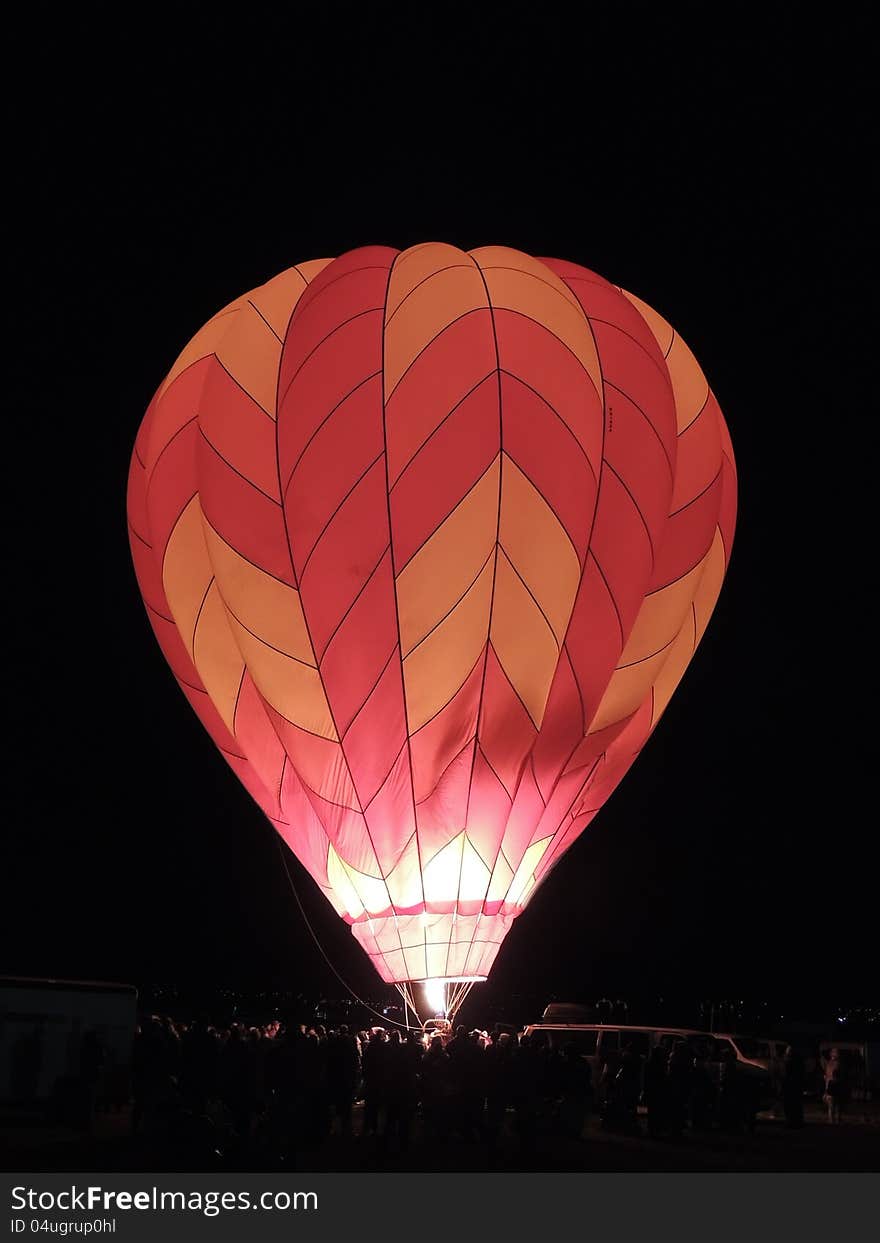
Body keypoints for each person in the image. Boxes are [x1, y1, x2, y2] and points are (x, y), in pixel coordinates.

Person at [822, 1048, 847, 1124]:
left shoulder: (840, 1064)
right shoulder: (829, 1063)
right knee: (831, 1106)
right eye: (833, 1052)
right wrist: (826, 1090)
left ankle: (837, 1121)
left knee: (838, 1106)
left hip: (837, 1087)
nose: (835, 1054)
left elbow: (842, 1076)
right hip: (831, 1087)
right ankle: (832, 1122)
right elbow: (827, 1076)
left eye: (836, 1052)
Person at [782, 1045, 805, 1128]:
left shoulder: (791, 1062)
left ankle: (792, 1122)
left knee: (791, 1105)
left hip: (791, 1086)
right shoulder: (798, 1062)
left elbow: (786, 1073)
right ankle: (796, 1121)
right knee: (795, 1105)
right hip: (794, 1086)